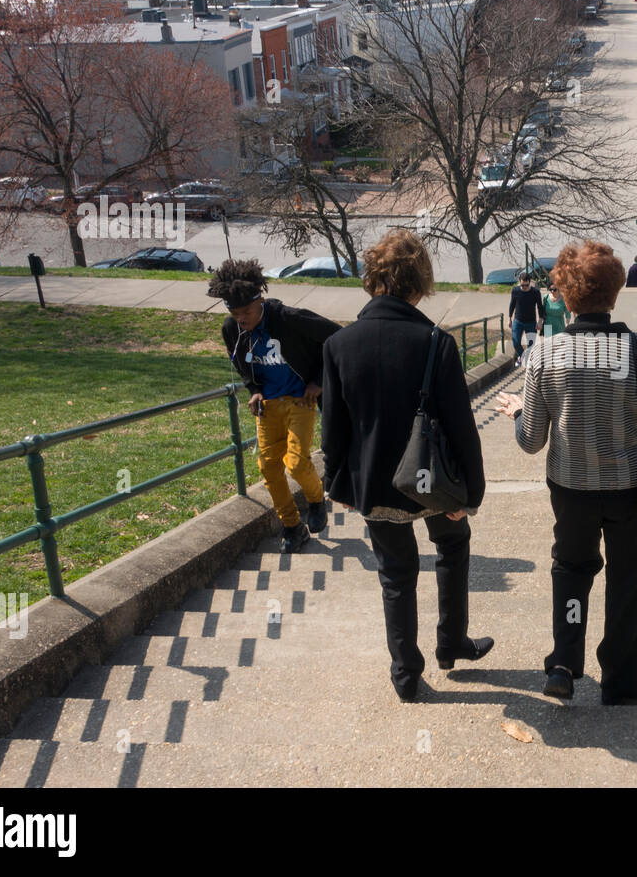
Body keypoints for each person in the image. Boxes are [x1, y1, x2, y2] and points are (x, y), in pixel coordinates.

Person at [495, 240, 637, 705]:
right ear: (615, 292)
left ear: (565, 297)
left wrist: (518, 412)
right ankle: (623, 684)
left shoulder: (544, 356)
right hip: (633, 492)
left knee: (571, 569)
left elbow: (531, 442)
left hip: (571, 489)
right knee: (631, 582)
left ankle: (565, 664)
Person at [320, 229, 490, 703]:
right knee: (452, 548)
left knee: (395, 575)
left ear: (373, 279)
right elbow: (461, 427)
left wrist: (338, 482)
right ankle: (451, 642)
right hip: (432, 478)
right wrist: (471, 494)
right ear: (420, 282)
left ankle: (405, 674)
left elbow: (333, 427)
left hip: (374, 481)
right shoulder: (436, 342)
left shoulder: (338, 345)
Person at [209, 259, 340, 553]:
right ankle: (292, 527)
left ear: (261, 302)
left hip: (300, 400)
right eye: (235, 313)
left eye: (246, 312)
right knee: (268, 468)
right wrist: (254, 389)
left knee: (295, 462)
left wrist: (318, 381)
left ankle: (317, 499)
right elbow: (241, 364)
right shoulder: (231, 329)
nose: (241, 319)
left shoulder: (288, 318)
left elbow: (336, 336)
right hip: (267, 406)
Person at [509, 272, 542, 365]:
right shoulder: (515, 291)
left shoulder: (535, 292)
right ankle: (522, 356)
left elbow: (540, 307)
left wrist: (540, 321)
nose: (524, 287)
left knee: (531, 345)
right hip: (518, 321)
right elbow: (512, 305)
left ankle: (527, 362)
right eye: (522, 285)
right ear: (519, 282)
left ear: (530, 283)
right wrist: (509, 318)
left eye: (526, 285)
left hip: (531, 322)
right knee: (515, 342)